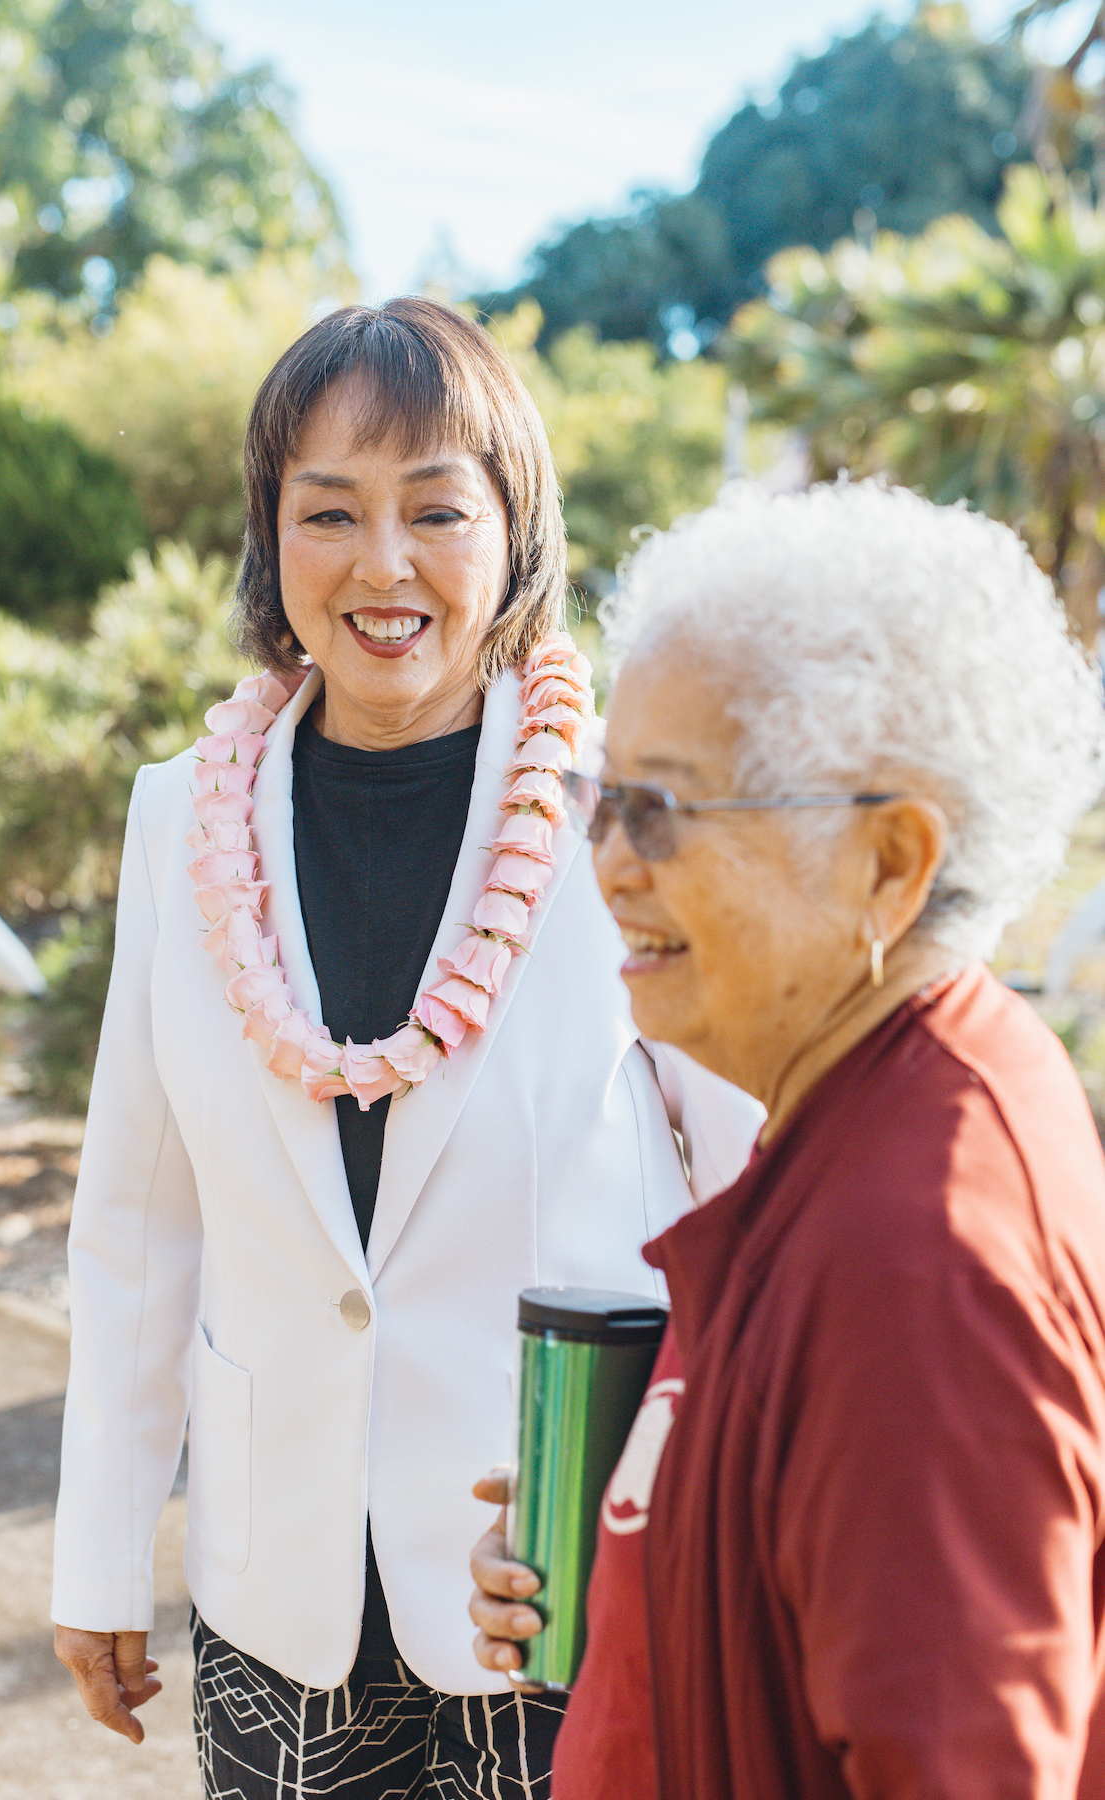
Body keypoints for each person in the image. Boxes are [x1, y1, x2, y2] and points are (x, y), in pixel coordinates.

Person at [50, 297, 761, 1798]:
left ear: (514, 530)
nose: (384, 566)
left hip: (561, 1561)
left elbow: (745, 1175)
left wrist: (705, 1508)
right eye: (330, 513)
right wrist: (102, 1548)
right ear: (272, 535)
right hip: (277, 1584)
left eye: (437, 507)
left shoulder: (623, 804)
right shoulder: (183, 814)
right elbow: (139, 1219)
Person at [470, 480, 1105, 1796]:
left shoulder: (921, 1261)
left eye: (666, 812)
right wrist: (632, 1561)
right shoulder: (855, 1105)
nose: (610, 865)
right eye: (603, 797)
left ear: (889, 861)